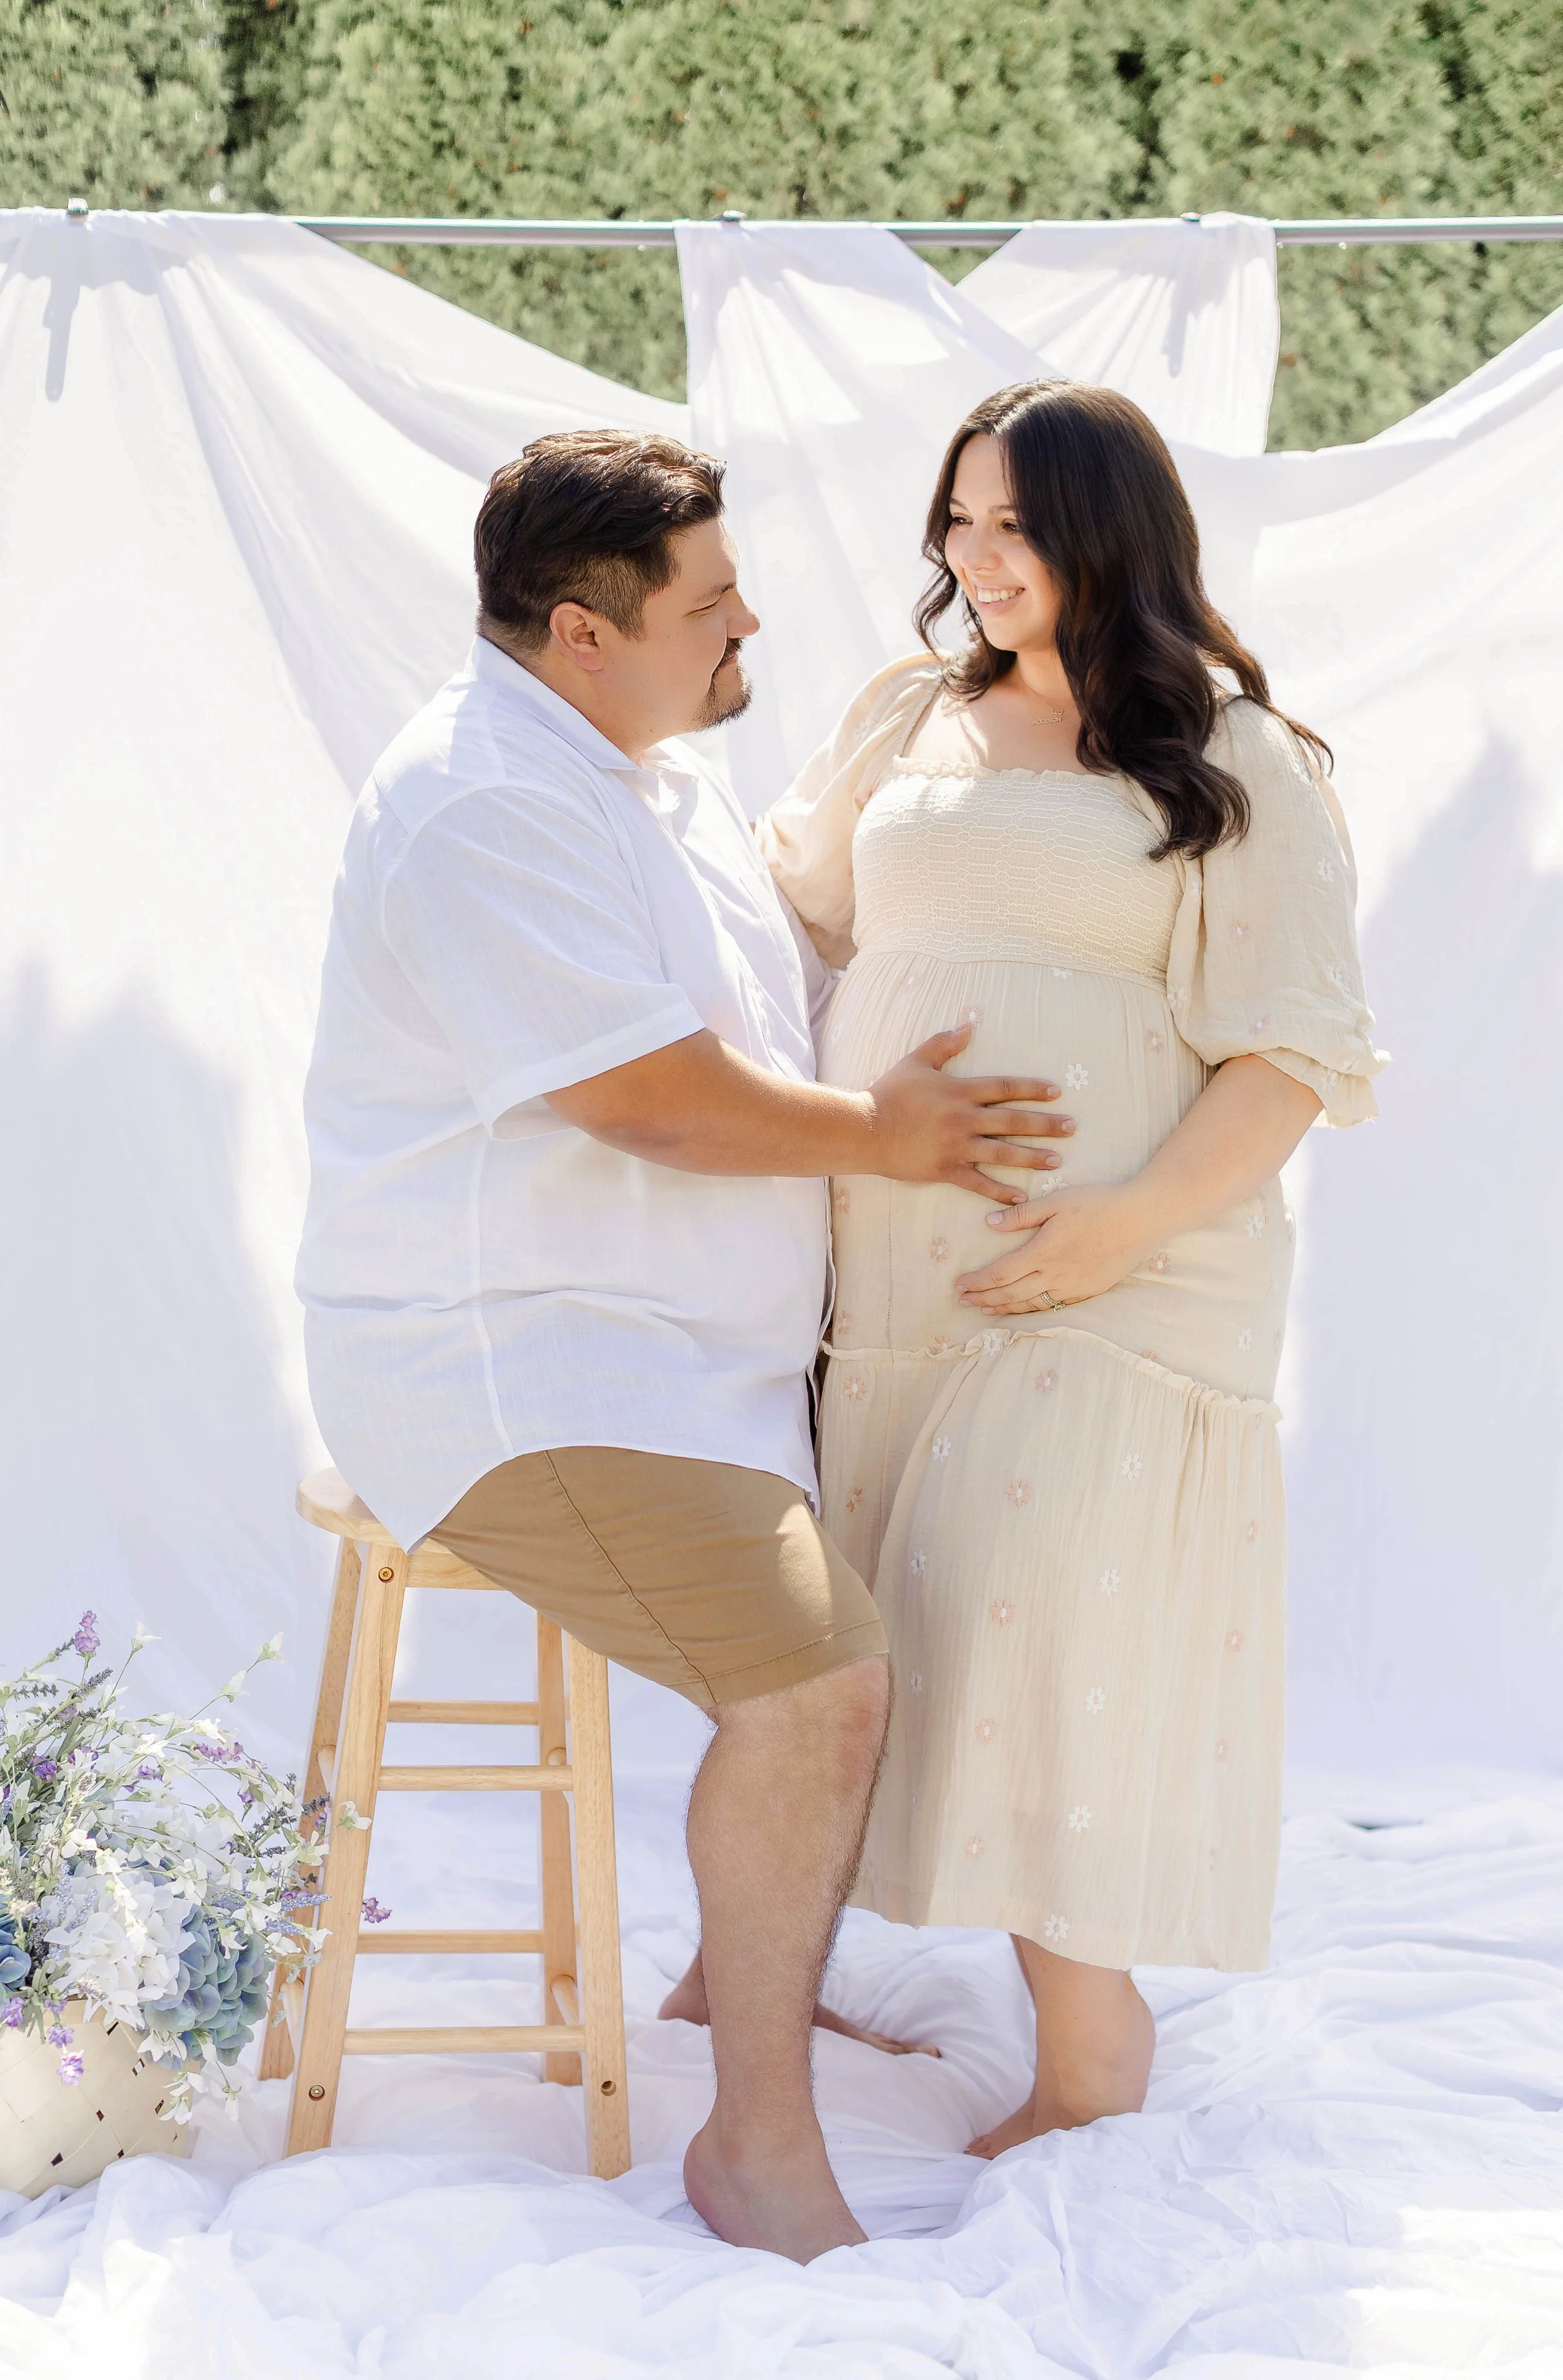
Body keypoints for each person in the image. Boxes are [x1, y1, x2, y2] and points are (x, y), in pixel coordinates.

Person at [295, 428, 1068, 2259]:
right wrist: (884, 1136)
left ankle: (734, 1982)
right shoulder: (481, 801)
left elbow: (777, 974)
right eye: (711, 605)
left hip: (688, 1361)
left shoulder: (641, 764)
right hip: (525, 1370)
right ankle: (757, 2141)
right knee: (818, 1684)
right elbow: (645, 1094)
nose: (750, 627)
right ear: (582, 629)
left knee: (904, 1575)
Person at [758, 381, 1387, 2159]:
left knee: (1045, 1636)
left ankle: (1090, 2049)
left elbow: (1287, 1056)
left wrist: (1117, 1221)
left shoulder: (1234, 759)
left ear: (1111, 531)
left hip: (1124, 1267)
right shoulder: (907, 714)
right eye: (957, 523)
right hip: (897, 1263)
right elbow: (784, 912)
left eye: (1016, 525)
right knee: (892, 1628)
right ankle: (769, 1961)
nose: (978, 559)